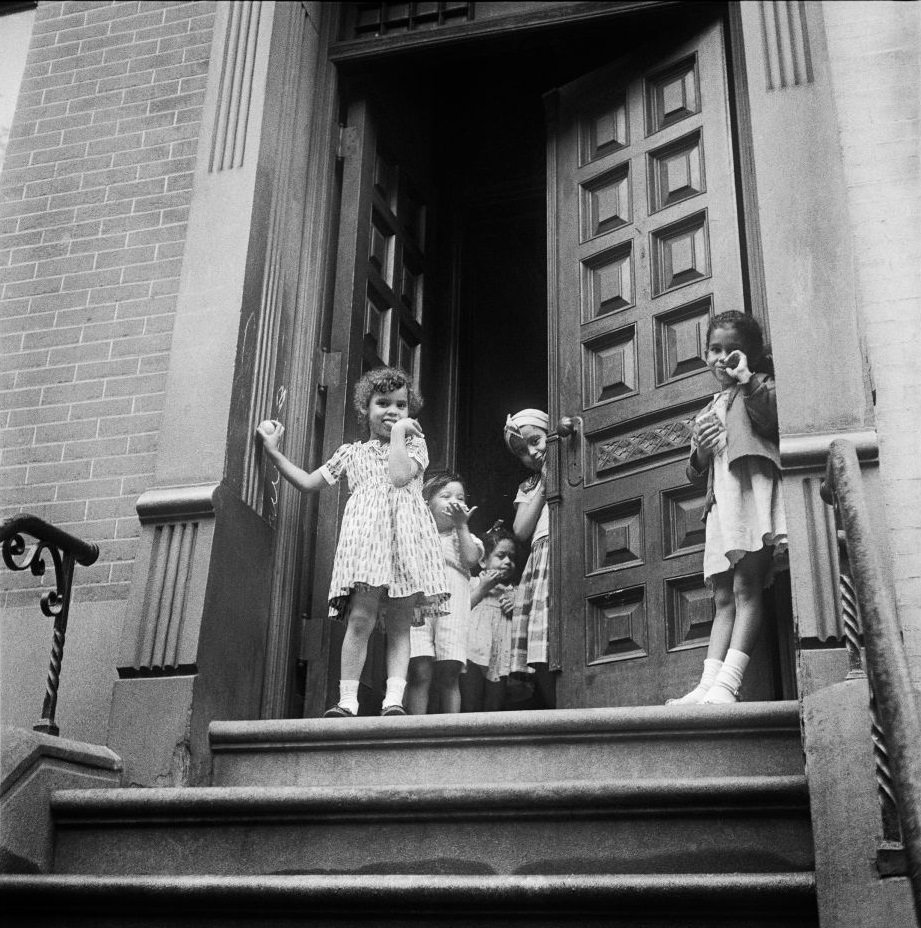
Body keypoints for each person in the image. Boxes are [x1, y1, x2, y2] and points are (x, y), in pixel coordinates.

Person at [255, 366, 447, 718]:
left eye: (401, 405)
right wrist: (273, 453)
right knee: (361, 618)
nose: (393, 411)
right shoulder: (350, 453)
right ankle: (347, 701)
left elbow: (399, 475)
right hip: (367, 546)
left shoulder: (415, 444)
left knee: (401, 623)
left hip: (405, 542)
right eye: (383, 403)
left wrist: (402, 434)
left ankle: (394, 700)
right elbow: (310, 483)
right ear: (366, 408)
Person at [668, 310, 787, 705]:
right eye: (715, 350)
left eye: (732, 351)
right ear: (704, 355)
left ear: (749, 355)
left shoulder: (757, 386)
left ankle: (729, 684)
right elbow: (694, 471)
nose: (722, 358)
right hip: (723, 503)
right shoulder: (710, 407)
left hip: (751, 494)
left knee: (746, 586)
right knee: (722, 595)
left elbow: (770, 420)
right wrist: (699, 450)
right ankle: (708, 683)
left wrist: (747, 379)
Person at [406, 473, 483, 715]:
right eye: (446, 496)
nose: (454, 501)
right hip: (419, 607)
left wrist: (462, 525)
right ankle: (413, 733)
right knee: (419, 670)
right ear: (427, 502)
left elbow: (471, 559)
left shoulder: (463, 537)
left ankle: (451, 734)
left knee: (449, 673)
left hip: (453, 610)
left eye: (460, 497)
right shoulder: (415, 534)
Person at [504, 408, 556, 709]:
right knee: (540, 646)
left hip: (569, 554)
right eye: (523, 452)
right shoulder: (530, 485)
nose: (533, 453)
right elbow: (521, 529)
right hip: (542, 558)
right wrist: (545, 485)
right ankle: (556, 711)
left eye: (536, 441)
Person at [461, 522, 518, 713]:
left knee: (495, 704)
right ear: (483, 561)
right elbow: (462, 609)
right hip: (473, 653)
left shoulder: (513, 592)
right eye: (501, 556)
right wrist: (482, 588)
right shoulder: (473, 583)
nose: (508, 561)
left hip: (500, 653)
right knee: (470, 700)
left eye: (511, 557)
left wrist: (516, 603)